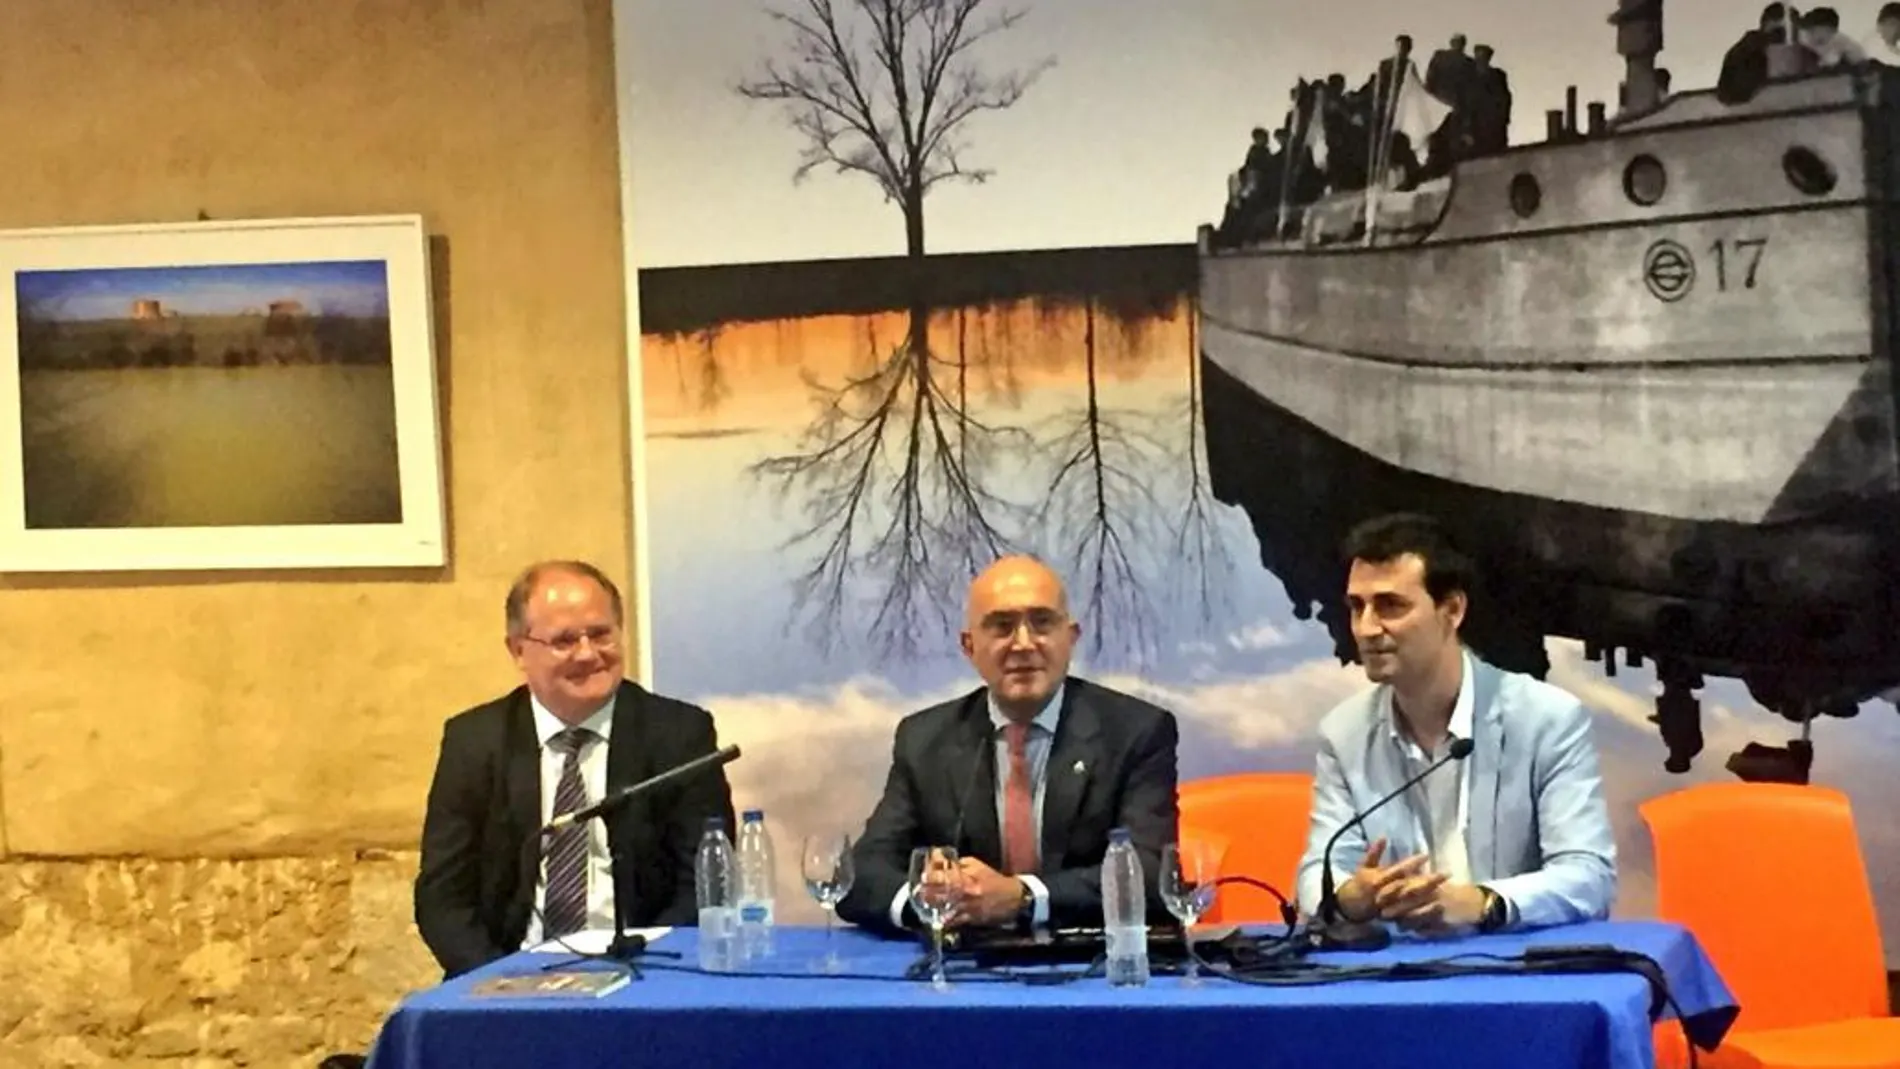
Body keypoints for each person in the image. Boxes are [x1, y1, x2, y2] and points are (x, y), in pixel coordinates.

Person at [1295, 514, 1616, 938]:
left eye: (1391, 605)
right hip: (1396, 972)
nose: (1366, 628)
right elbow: (1318, 872)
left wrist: (1483, 902)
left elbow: (1589, 876)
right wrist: (1352, 898)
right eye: (1357, 607)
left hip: (1518, 971)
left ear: (1452, 609)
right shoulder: (1344, 733)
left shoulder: (1546, 718)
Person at [414, 560, 736, 978]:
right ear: (518, 650)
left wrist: (645, 969)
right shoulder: (475, 743)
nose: (588, 654)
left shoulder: (677, 735)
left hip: (645, 974)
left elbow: (707, 880)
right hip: (509, 975)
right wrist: (500, 980)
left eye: (601, 634)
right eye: (564, 640)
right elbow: (443, 898)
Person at [836, 555, 1180, 936]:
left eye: (1042, 623)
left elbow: (1151, 875)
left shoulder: (1136, 730)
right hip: (967, 970)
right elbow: (862, 872)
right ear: (970, 647)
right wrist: (929, 898)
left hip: (1092, 964)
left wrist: (1023, 897)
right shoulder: (924, 739)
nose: (1023, 643)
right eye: (1001, 627)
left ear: (1071, 637)